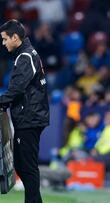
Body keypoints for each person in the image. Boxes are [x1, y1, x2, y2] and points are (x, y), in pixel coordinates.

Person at [0, 19, 49, 203]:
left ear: (15, 37)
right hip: (31, 116)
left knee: (27, 166)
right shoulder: (28, 53)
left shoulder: (25, 56)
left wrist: (2, 101)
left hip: (30, 118)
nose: (3, 43)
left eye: (5, 39)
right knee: (23, 164)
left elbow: (16, 90)